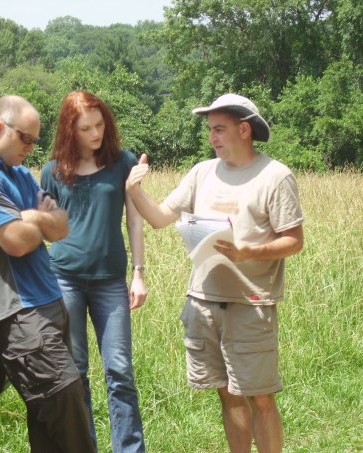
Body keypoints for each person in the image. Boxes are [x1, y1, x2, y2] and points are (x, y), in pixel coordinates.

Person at [126, 93, 304, 453]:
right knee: (227, 394)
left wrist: (248, 251)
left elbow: (294, 241)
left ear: (243, 130)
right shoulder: (202, 172)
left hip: (251, 304)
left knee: (260, 398)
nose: (212, 138)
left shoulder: (275, 175)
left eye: (219, 130)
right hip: (203, 302)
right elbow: (160, 218)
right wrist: (134, 189)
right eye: (210, 130)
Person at [0, 95, 95, 453]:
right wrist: (33, 220)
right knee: (71, 413)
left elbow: (61, 225)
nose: (31, 148)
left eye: (35, 141)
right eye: (26, 138)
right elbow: (16, 241)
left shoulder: (15, 174)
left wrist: (34, 217)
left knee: (50, 426)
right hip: (19, 315)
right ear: (0, 128)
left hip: (50, 306)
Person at [40, 90, 148, 453]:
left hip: (110, 281)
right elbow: (41, 226)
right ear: (71, 130)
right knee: (76, 372)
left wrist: (139, 273)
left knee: (119, 371)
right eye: (86, 128)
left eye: (100, 124)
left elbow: (135, 222)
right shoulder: (52, 171)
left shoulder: (123, 163)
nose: (96, 133)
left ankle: (129, 449)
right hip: (64, 277)